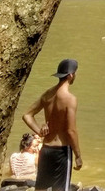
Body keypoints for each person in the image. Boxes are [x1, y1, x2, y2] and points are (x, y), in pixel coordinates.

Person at [22, 58, 83, 191]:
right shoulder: (70, 99)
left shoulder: (47, 95)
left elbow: (27, 115)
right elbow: (71, 131)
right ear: (71, 75)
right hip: (62, 151)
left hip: (46, 150)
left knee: (41, 189)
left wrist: (39, 131)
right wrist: (78, 155)